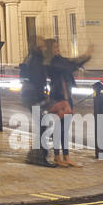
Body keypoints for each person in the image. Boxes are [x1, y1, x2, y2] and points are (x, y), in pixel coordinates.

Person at [43, 38, 93, 168]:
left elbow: (70, 64)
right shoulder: (52, 63)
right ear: (50, 50)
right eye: (54, 47)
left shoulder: (59, 61)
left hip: (66, 98)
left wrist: (85, 57)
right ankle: (57, 157)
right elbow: (70, 65)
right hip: (57, 98)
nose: (57, 49)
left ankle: (66, 157)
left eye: (57, 46)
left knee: (64, 130)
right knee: (58, 130)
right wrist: (86, 56)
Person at [19, 43, 53, 167]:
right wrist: (43, 98)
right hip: (33, 97)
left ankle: (35, 155)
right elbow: (37, 81)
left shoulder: (33, 59)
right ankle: (38, 157)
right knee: (44, 126)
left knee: (43, 126)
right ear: (39, 48)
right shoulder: (36, 61)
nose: (45, 48)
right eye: (43, 46)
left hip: (31, 97)